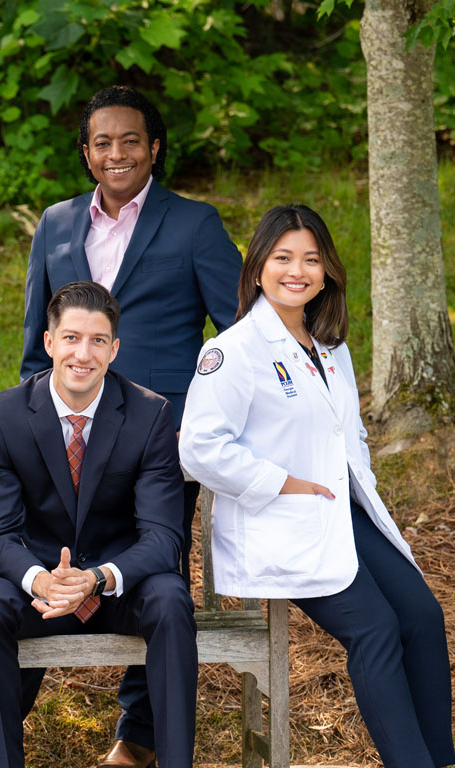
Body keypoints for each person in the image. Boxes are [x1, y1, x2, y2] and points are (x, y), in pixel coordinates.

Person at [0, 86, 240, 768]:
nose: (116, 153)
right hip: (62, 429)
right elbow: (39, 341)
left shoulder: (195, 224)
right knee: (47, 559)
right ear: (85, 152)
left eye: (131, 140)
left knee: (151, 572)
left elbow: (235, 339)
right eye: (102, 142)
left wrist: (198, 422)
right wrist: (33, 416)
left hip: (156, 438)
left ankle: (139, 738)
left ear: (154, 148)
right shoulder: (58, 222)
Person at [179, 205, 455, 768]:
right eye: (283, 258)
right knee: (375, 630)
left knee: (423, 619)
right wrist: (283, 484)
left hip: (342, 515)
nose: (297, 270)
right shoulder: (231, 352)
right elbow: (200, 447)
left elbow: (348, 430)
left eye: (311, 258)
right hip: (282, 522)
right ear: (257, 267)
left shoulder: (330, 345)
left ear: (327, 270)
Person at [0, 281, 197, 768]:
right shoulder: (4, 416)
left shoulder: (150, 415)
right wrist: (41, 579)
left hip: (118, 588)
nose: (82, 353)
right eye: (70, 338)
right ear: (49, 343)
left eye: (96, 340)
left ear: (114, 348)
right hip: (40, 588)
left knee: (171, 600)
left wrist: (96, 578)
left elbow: (163, 537)